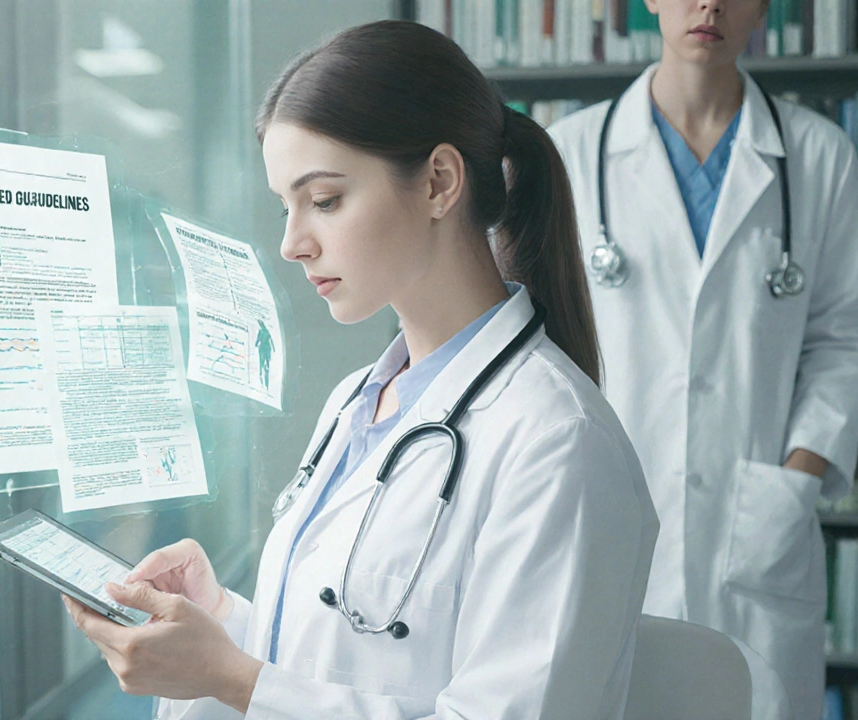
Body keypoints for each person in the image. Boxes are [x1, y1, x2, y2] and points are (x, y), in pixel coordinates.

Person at [64, 20, 659, 718]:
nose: (291, 243)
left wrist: (236, 681)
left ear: (439, 182)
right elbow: (348, 655)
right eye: (285, 206)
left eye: (324, 201)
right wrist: (221, 622)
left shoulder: (560, 443)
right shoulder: (360, 401)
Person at [546, 0, 858, 716]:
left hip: (755, 520)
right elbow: (537, 340)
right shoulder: (571, 152)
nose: (709, 5)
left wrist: (799, 475)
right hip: (607, 507)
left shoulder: (817, 155)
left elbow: (845, 336)